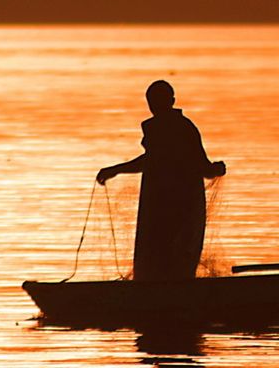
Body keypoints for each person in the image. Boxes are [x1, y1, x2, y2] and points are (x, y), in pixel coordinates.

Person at [97, 80, 226, 281]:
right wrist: (215, 169)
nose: (154, 106)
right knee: (164, 255)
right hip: (161, 205)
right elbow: (201, 167)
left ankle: (167, 298)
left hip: (179, 206)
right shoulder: (176, 127)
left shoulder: (180, 128)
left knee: (173, 252)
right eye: (152, 101)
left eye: (157, 101)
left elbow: (157, 160)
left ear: (171, 101)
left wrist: (116, 170)